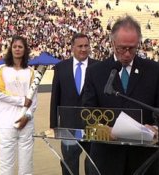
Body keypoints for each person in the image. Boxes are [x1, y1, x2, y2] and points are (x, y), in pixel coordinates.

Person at [82, 15, 159, 175]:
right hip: (107, 160)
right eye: (122, 48)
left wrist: (156, 129)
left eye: (132, 48)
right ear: (112, 43)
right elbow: (86, 113)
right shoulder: (95, 72)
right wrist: (102, 130)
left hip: (144, 160)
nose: (127, 54)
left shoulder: (155, 71)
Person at [50, 33, 97, 175]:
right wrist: (53, 124)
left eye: (86, 46)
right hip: (68, 126)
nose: (83, 49)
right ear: (72, 48)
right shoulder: (61, 68)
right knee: (69, 165)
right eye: (80, 46)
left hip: (92, 127)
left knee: (92, 165)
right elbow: (55, 97)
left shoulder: (98, 67)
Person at [0, 35, 37, 175]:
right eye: (15, 46)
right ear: (10, 49)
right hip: (7, 123)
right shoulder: (2, 69)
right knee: (6, 166)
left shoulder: (30, 72)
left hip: (26, 123)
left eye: (20, 47)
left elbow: (34, 99)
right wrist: (21, 100)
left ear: (25, 50)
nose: (17, 49)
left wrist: (27, 116)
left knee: (26, 166)